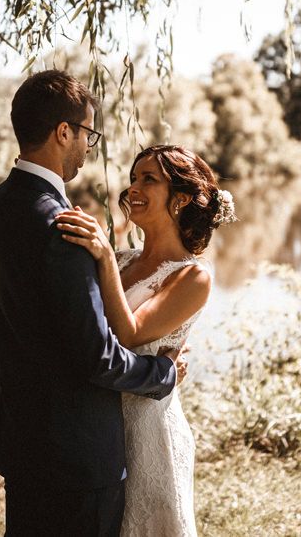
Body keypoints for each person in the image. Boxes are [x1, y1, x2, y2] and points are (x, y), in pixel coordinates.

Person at [0, 71, 185, 536]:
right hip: (76, 454)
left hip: (22, 444)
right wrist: (162, 374)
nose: (90, 146)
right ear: (63, 131)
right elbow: (98, 356)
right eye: (88, 133)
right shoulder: (63, 226)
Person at [55, 145, 237, 536]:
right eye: (134, 177)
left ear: (182, 199)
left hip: (149, 429)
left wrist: (102, 258)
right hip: (98, 422)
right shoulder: (121, 259)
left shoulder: (192, 277)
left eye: (149, 179)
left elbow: (130, 333)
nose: (133, 187)